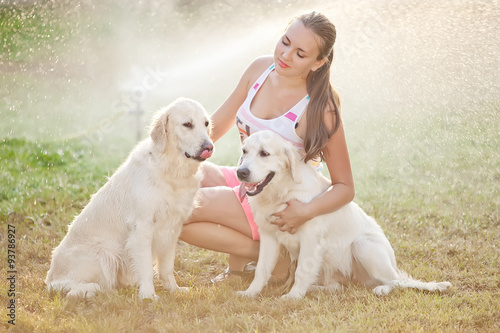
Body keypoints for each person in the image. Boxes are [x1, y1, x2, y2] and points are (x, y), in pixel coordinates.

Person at [179, 11, 354, 282]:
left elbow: (345, 187)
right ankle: (246, 266)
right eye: (285, 42)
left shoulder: (321, 107)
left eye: (300, 54)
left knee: (178, 210)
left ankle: (275, 260)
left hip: (281, 201)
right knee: (180, 183)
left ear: (318, 63)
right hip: (249, 181)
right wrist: (170, 157)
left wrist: (304, 212)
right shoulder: (259, 69)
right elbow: (215, 126)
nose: (285, 55)